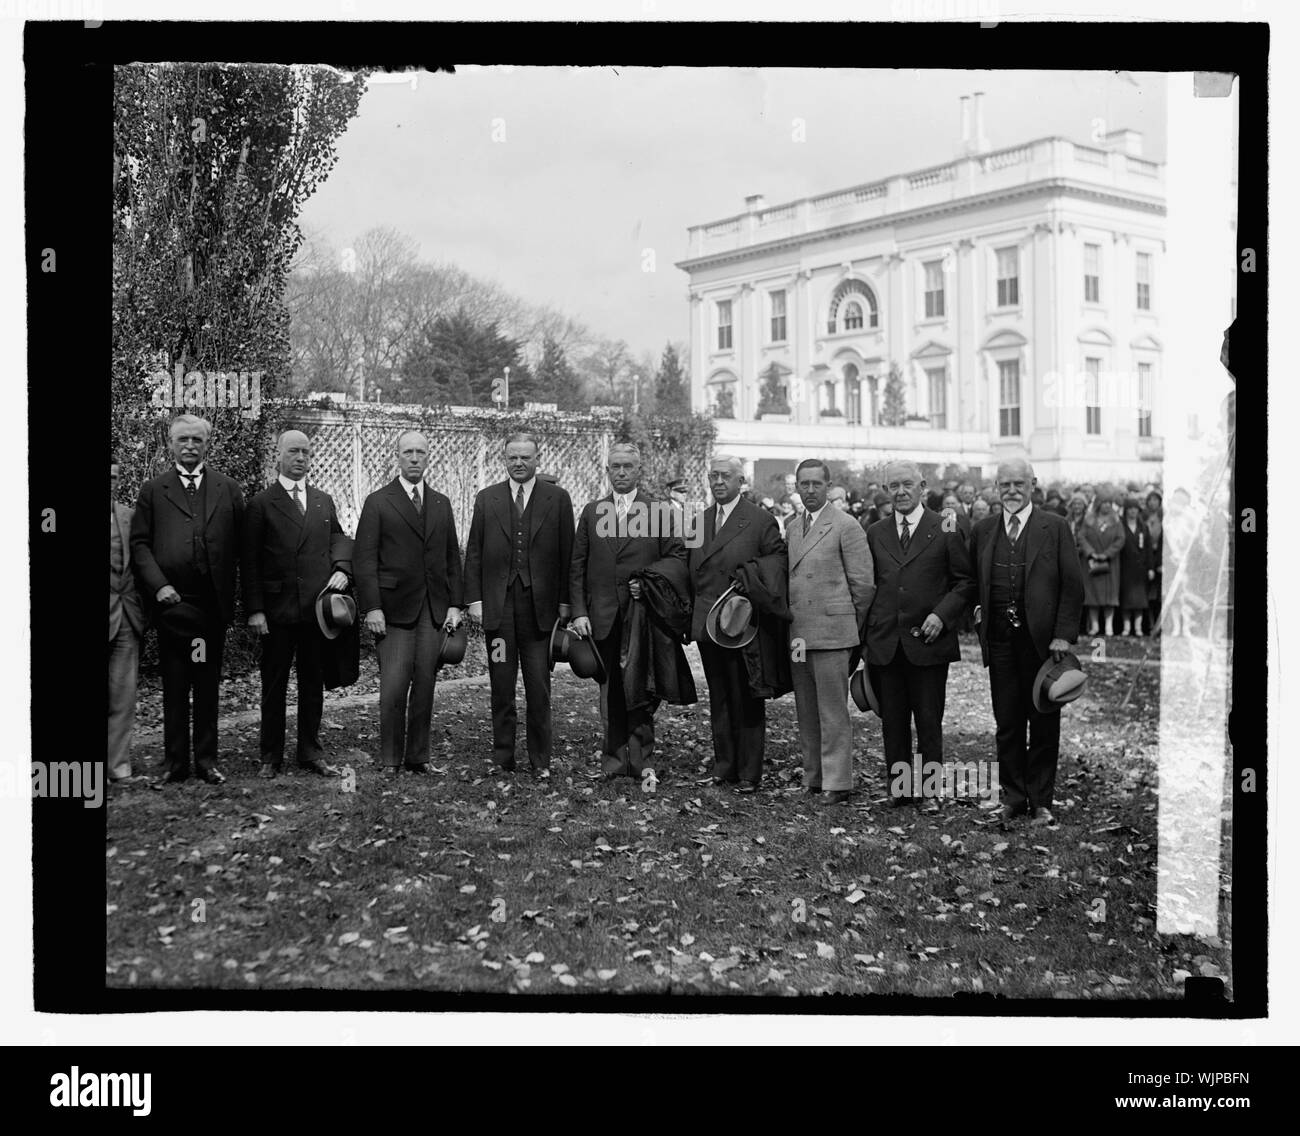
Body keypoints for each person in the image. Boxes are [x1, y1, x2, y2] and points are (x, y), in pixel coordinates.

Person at [130, 415, 245, 785]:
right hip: (173, 606)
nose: (190, 446)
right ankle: (175, 762)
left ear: (207, 444)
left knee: (206, 682)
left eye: (197, 439)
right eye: (183, 440)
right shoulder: (154, 490)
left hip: (209, 607)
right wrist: (159, 586)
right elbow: (140, 545)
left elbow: (243, 546)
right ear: (171, 444)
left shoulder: (228, 489)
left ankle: (207, 761)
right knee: (176, 684)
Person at [971, 456, 1084, 828]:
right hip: (1001, 642)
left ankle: (1041, 801)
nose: (1012, 491)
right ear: (996, 487)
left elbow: (1072, 586)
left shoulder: (1055, 527)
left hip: (1043, 646)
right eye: (1005, 485)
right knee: (1007, 722)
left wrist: (1063, 636)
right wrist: (977, 612)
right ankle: (1014, 797)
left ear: (1033, 484)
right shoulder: (985, 529)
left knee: (1044, 721)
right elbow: (975, 582)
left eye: (1019, 484)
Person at [569, 442, 688, 783]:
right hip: (601, 617)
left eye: (627, 467)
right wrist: (579, 612)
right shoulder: (592, 512)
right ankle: (613, 761)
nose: (621, 472)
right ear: (607, 471)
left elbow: (677, 559)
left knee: (640, 689)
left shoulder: (658, 512)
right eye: (615, 467)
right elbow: (577, 566)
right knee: (609, 691)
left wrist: (648, 584)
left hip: (641, 616)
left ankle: (642, 761)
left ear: (639, 471)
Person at [462, 433, 574, 780]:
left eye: (526, 457)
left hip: (540, 615)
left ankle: (540, 761)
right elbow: (475, 553)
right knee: (501, 685)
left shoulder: (557, 499)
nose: (519, 463)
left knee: (539, 687)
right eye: (513, 457)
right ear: (504, 459)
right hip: (499, 613)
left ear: (537, 459)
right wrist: (476, 601)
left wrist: (566, 602)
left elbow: (568, 554)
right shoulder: (487, 498)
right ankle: (503, 758)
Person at [866, 460, 975, 811]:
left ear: (923, 486)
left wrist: (942, 616)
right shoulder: (876, 532)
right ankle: (900, 789)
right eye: (893, 486)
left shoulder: (945, 526)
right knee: (893, 722)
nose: (899, 492)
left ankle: (929, 791)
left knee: (928, 720)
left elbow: (964, 582)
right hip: (888, 642)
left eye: (907, 485)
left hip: (928, 642)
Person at [354, 431, 464, 779]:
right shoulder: (379, 501)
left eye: (420, 452)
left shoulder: (441, 503)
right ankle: (390, 759)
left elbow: (451, 560)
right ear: (397, 457)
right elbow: (364, 559)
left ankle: (418, 758)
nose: (414, 458)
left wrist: (454, 605)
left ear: (428, 457)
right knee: (394, 687)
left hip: (432, 611)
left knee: (425, 686)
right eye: (408, 452)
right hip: (393, 611)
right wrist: (372, 607)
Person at [243, 430, 352, 779]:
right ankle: (270, 756)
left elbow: (339, 539)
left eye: (306, 451)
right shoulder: (262, 503)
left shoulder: (323, 501)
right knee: (273, 686)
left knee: (312, 683)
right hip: (276, 612)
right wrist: (256, 610)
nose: (300, 458)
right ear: (278, 455)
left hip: (315, 612)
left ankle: (310, 751)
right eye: (293, 451)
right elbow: (251, 562)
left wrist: (342, 570)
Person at [689, 454, 790, 793]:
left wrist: (751, 577)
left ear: (740, 481)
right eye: (713, 475)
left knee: (747, 695)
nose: (718, 482)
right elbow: (687, 565)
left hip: (742, 624)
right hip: (708, 622)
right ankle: (725, 766)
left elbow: (777, 560)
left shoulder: (760, 521)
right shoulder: (699, 522)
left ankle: (749, 772)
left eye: (725, 476)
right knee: (719, 695)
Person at [787, 459, 875, 805]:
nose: (809, 490)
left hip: (833, 631)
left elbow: (863, 585)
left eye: (815, 484)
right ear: (796, 486)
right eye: (803, 484)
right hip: (798, 633)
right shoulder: (793, 527)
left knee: (832, 710)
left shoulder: (846, 525)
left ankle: (837, 782)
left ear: (827, 486)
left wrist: (849, 625)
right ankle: (813, 776)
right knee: (806, 708)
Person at [109, 457, 145, 784]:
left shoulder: (129, 517)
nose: (112, 482)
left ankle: (118, 766)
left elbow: (141, 562)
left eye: (115, 477)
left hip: (126, 617)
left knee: (124, 694)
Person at [1079, 495, 1125, 635]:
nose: (1106, 505)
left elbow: (1120, 539)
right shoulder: (1089, 520)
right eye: (1103, 502)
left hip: (1110, 563)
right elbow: (1081, 537)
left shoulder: (1116, 521)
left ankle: (1108, 625)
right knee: (1092, 595)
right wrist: (1091, 552)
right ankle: (1095, 625)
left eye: (1108, 503)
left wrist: (1107, 554)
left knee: (1109, 596)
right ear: (1098, 504)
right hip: (1092, 562)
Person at [1118, 498, 1154, 636]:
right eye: (1130, 508)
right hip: (1125, 567)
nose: (1133, 511)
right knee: (1126, 599)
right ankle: (1126, 627)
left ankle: (1138, 627)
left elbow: (1149, 549)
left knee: (1140, 600)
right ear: (1126, 510)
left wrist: (1150, 568)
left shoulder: (1143, 527)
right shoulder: (1120, 526)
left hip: (1141, 568)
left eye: (1135, 509)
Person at [1144, 490, 1164, 634]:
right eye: (1150, 500)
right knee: (1148, 594)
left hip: (1160, 557)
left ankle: (1160, 623)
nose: (1153, 503)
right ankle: (1149, 623)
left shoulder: (1164, 517)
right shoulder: (1142, 517)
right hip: (1146, 557)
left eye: (1155, 500)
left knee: (1160, 595)